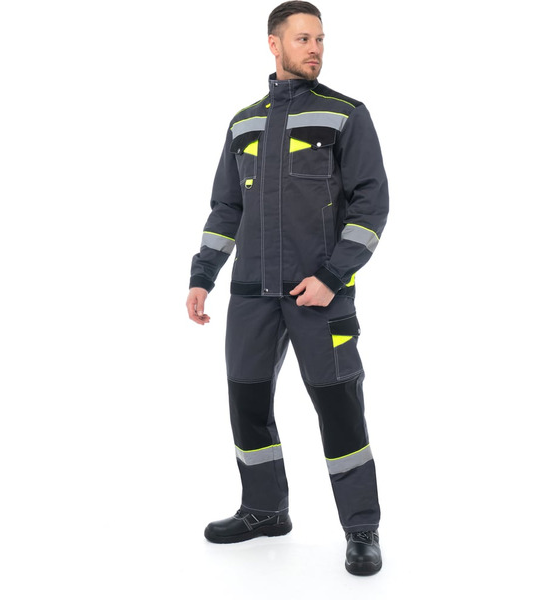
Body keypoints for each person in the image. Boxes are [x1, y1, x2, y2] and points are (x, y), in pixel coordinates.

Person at [185, 1, 389, 576]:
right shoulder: (243, 123)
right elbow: (226, 208)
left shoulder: (346, 115)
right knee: (247, 403)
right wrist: (203, 275)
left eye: (320, 39)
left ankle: (362, 529)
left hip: (319, 296)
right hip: (251, 294)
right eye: (303, 39)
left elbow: (372, 207)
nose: (315, 48)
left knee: (339, 407)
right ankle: (265, 510)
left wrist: (331, 277)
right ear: (274, 45)